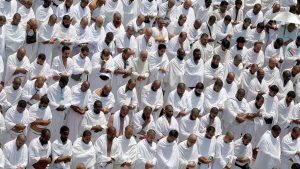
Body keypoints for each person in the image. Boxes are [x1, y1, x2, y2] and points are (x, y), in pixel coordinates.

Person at [47, 75, 72, 141]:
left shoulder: (68, 89)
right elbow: (49, 101)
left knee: (58, 130)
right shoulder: (51, 88)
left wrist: (64, 106)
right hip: (53, 113)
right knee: (50, 129)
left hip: (61, 114)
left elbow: (69, 102)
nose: (63, 85)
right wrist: (57, 106)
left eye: (65, 84)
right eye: (62, 83)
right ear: (59, 81)